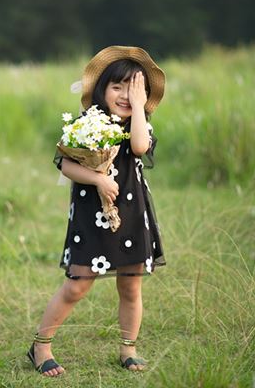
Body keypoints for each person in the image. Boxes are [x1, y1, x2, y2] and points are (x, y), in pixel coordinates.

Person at [27, 46, 167, 377]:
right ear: (102, 89)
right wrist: (98, 180)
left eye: (133, 88)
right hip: (91, 215)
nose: (123, 95)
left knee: (131, 286)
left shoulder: (139, 124)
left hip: (131, 213)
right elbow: (66, 165)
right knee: (78, 283)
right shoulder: (87, 124)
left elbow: (139, 148)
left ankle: (128, 348)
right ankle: (40, 346)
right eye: (117, 86)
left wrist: (138, 107)